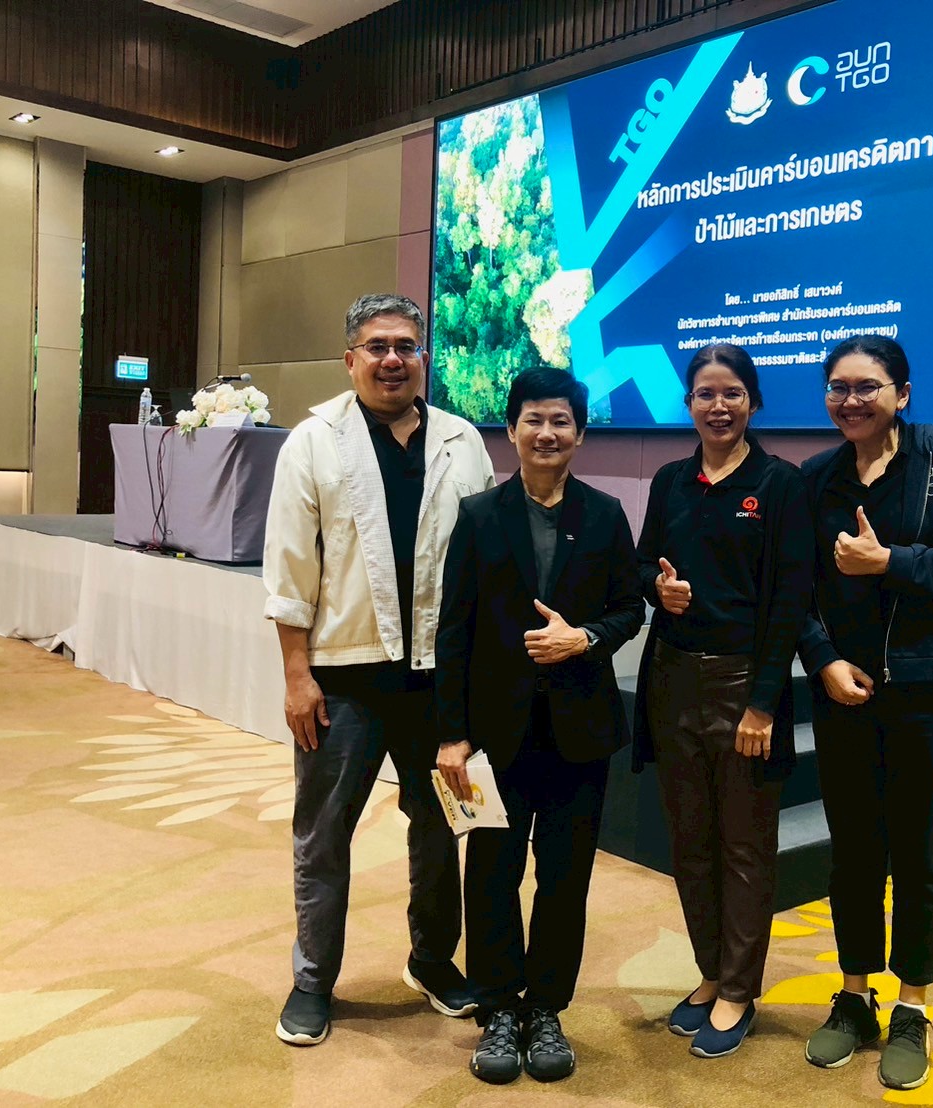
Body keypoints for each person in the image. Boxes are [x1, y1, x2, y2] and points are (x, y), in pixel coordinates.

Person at [262, 292, 494, 1046]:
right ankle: (312, 981)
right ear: (350, 359)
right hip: (344, 680)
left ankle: (431, 960)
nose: (393, 359)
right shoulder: (313, 442)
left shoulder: (462, 441)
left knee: (442, 829)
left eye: (405, 346)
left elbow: (484, 562)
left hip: (438, 683)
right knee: (323, 834)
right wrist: (297, 676)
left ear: (423, 356)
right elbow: (290, 569)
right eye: (377, 346)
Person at [797, 335, 933, 1090]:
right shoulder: (817, 478)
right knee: (852, 852)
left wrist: (892, 562)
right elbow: (797, 587)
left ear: (903, 394)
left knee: (919, 854)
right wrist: (822, 659)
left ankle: (913, 1007)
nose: (850, 400)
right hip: (845, 692)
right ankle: (854, 997)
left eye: (867, 386)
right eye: (837, 387)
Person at [436, 368, 645, 1084]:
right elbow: (453, 631)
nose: (547, 433)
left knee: (564, 878)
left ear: (579, 434)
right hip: (494, 737)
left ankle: (547, 1007)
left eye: (560, 421)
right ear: (511, 429)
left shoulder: (606, 514)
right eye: (533, 419)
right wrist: (452, 734)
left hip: (579, 733)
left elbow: (629, 608)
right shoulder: (478, 516)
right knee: (491, 874)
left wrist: (584, 637)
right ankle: (498, 1007)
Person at [632, 344, 813, 1060]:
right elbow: (641, 564)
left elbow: (791, 600)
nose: (718, 406)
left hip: (744, 686)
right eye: (705, 394)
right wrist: (658, 589)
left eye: (732, 393)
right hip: (672, 680)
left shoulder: (779, 483)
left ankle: (739, 988)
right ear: (688, 404)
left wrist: (763, 704)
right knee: (690, 841)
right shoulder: (671, 481)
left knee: (743, 845)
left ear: (753, 402)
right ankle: (710, 972)